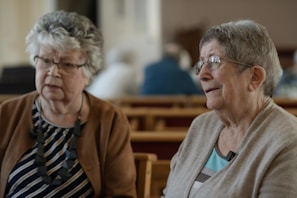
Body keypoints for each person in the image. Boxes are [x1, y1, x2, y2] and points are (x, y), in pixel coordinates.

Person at [0, 10, 136, 198]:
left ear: (88, 73)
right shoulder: (7, 113)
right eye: (45, 60)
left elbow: (121, 194)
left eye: (67, 64)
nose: (53, 72)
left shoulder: (110, 121)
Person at [162, 19, 297, 197]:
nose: (202, 75)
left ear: (254, 77)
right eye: (201, 64)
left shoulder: (288, 142)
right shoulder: (200, 126)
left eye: (214, 61)